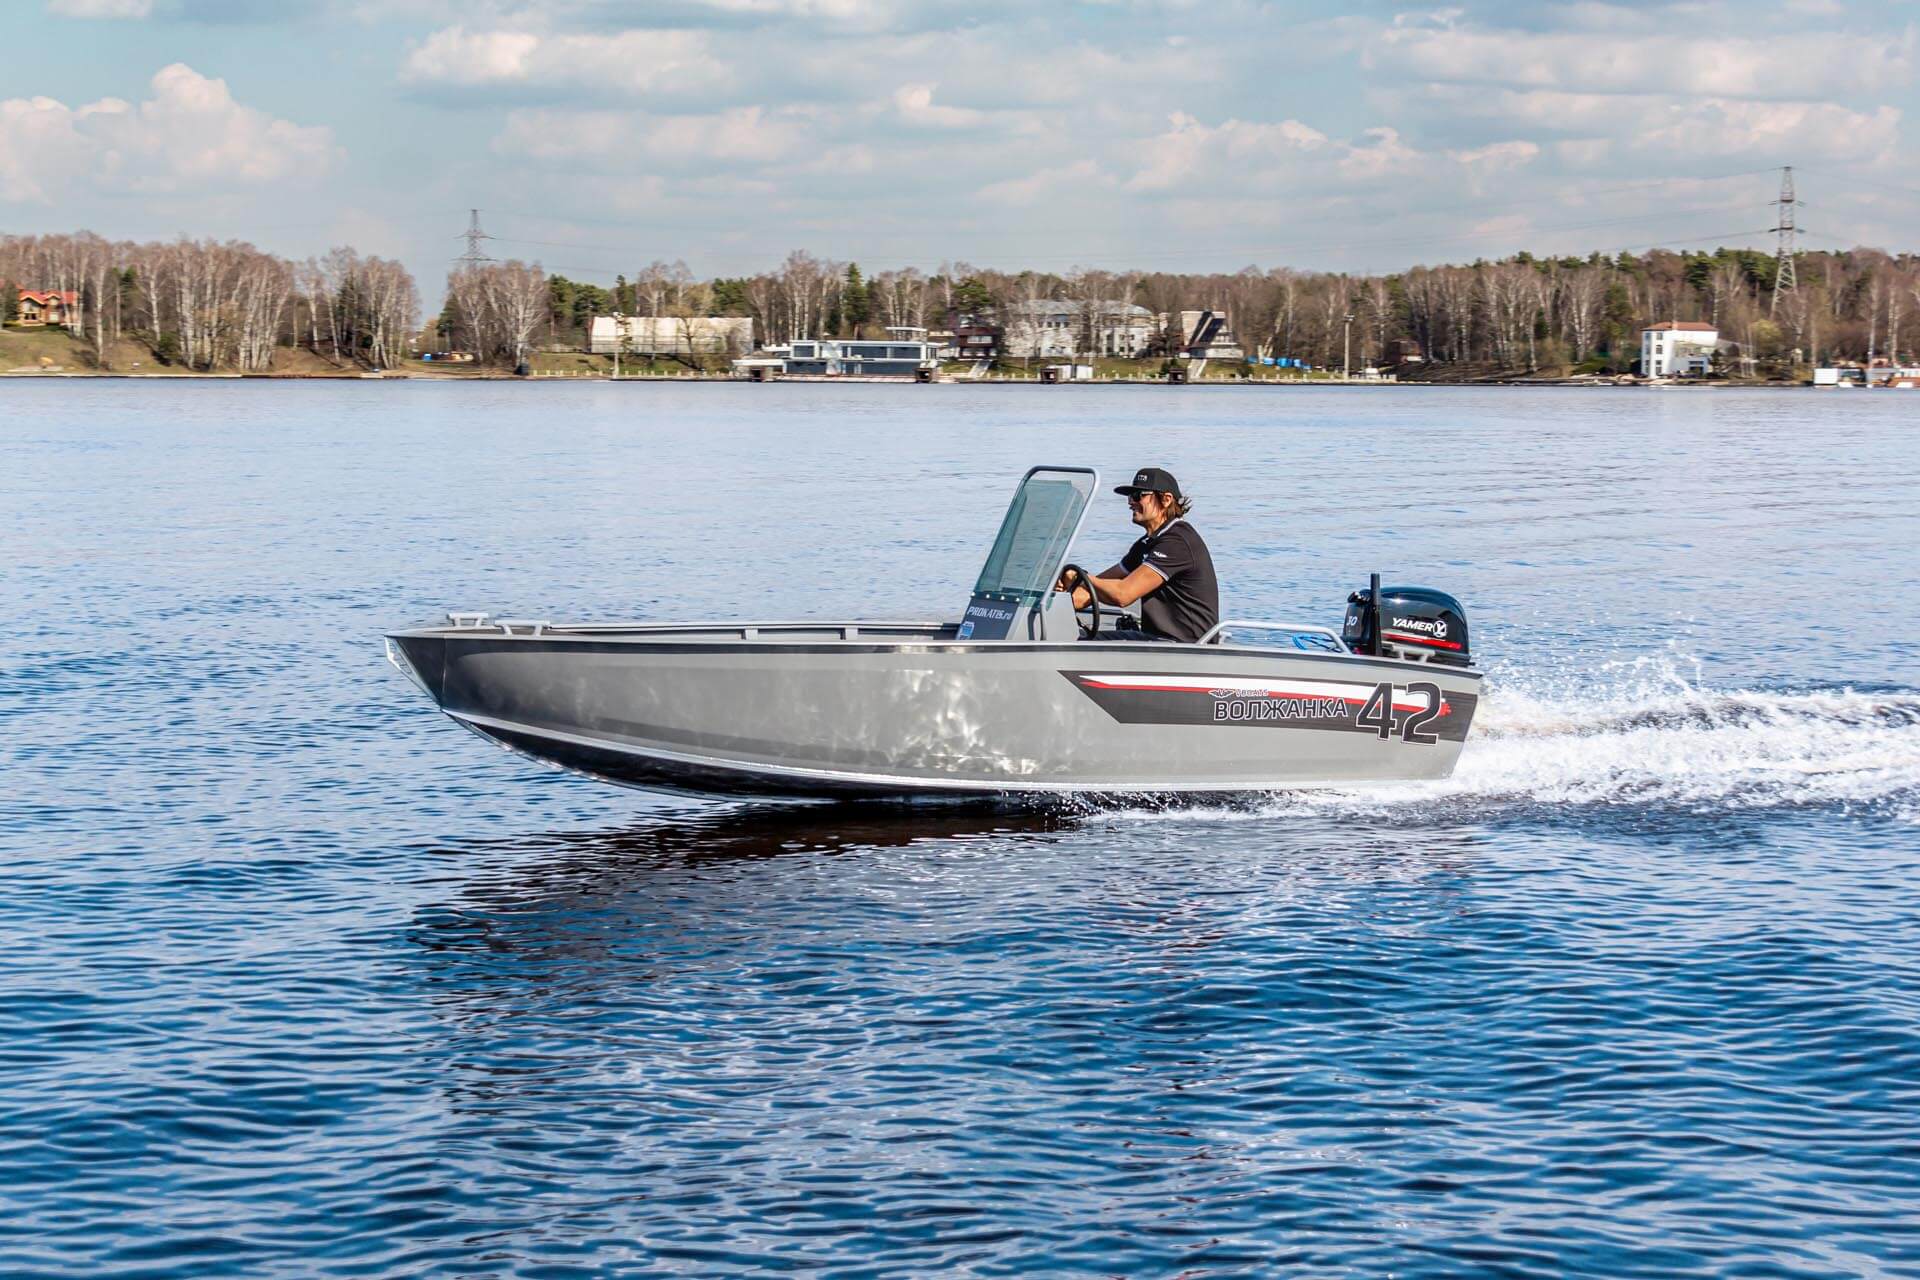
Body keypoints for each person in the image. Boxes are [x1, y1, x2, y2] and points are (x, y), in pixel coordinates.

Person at [1061, 466, 1219, 642]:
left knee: (1080, 642)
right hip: (1156, 640)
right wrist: (1060, 593)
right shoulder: (1146, 544)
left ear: (1166, 499)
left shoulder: (1177, 542)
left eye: (1138, 496)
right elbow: (1092, 592)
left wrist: (1083, 577)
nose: (1130, 502)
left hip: (1183, 645)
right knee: (1067, 635)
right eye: (1130, 496)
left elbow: (1123, 595)